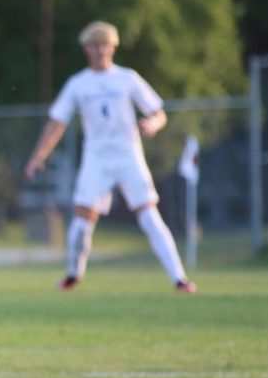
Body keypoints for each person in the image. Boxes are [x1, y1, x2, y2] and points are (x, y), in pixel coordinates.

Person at [24, 20, 196, 293]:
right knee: (81, 224)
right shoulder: (78, 84)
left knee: (150, 217)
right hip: (96, 159)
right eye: (94, 45)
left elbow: (158, 112)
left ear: (113, 47)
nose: (100, 50)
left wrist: (152, 124)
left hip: (129, 156)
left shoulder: (127, 78)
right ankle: (73, 274)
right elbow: (56, 122)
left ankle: (179, 278)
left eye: (105, 44)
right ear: (86, 49)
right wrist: (38, 156)